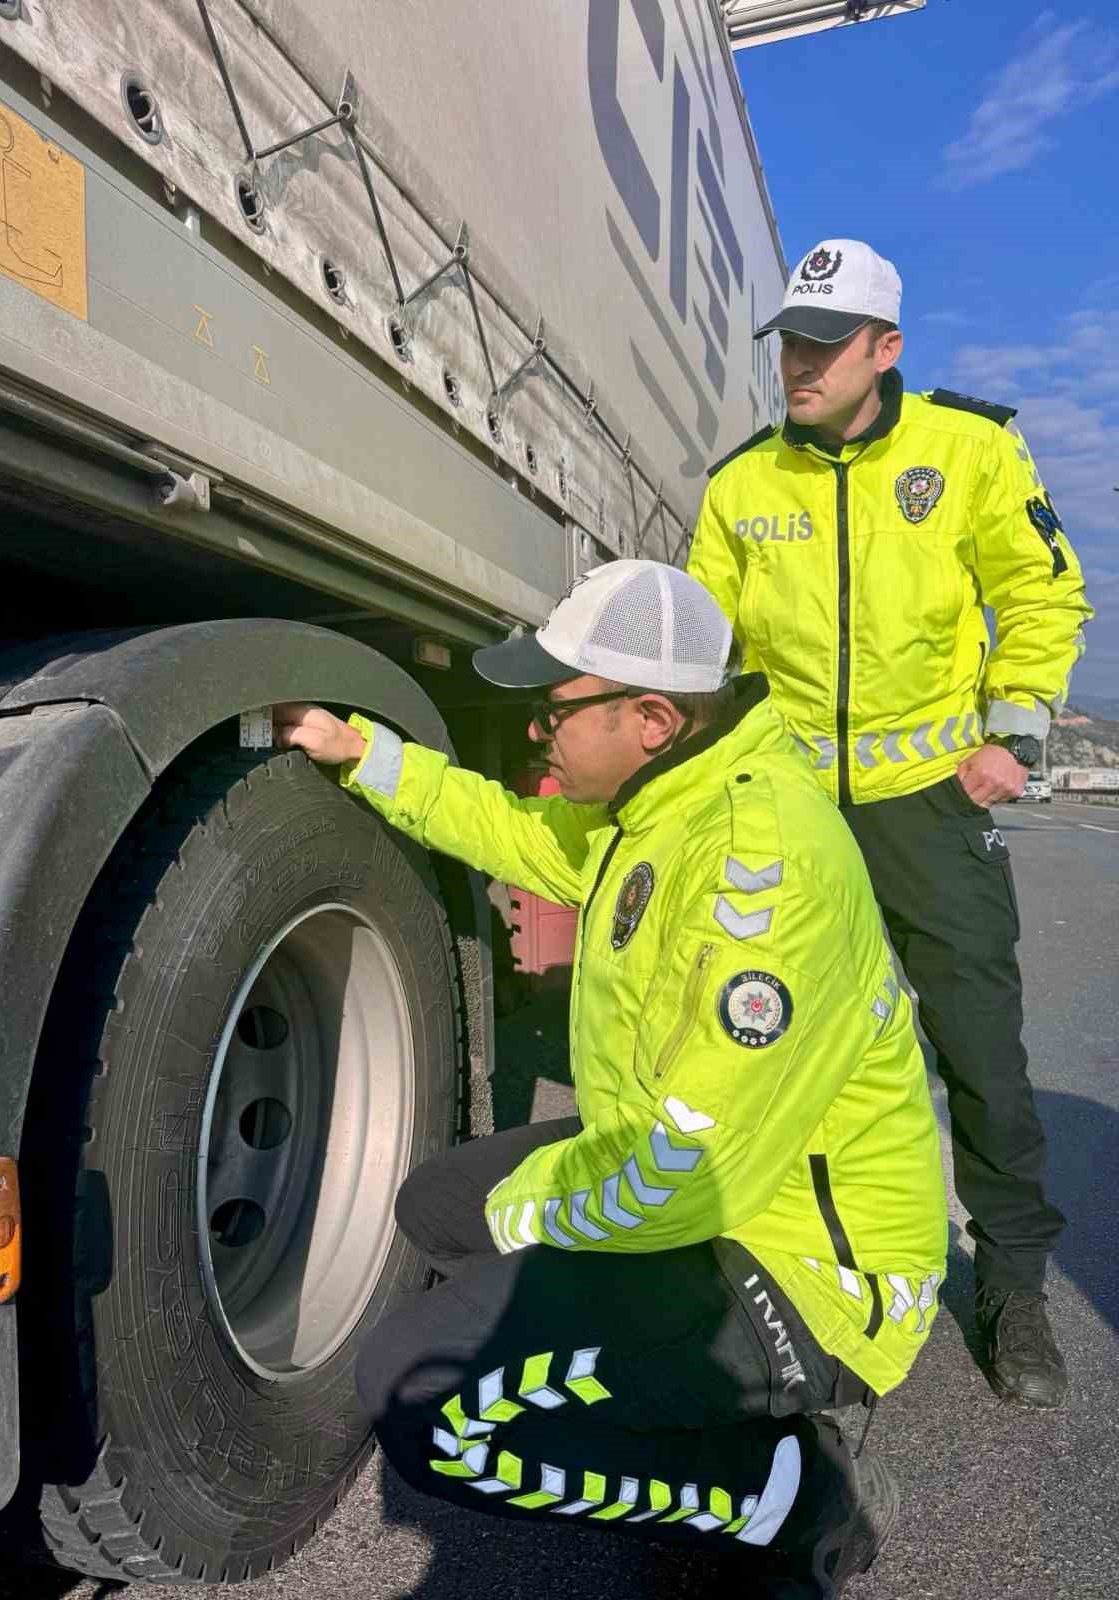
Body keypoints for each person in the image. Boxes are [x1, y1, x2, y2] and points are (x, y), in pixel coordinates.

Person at [275, 560, 946, 1598]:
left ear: (649, 717)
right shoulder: (662, 805)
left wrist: (530, 1212)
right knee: (437, 1203)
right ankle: (652, 1395)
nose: (540, 733)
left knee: (427, 1412)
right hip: (712, 1185)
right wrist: (367, 754)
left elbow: (688, 1169)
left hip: (806, 1262)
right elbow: (520, 833)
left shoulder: (759, 877)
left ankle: (792, 1494)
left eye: (554, 710)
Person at [688, 239, 1094, 1410]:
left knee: (977, 1047)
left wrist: (1011, 739)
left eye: (824, 343)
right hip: (798, 814)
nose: (798, 364)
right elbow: (706, 648)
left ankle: (1011, 1285)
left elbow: (1040, 589)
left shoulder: (969, 450)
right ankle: (783, 1262)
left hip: (931, 804)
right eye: (790, 343)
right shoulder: (742, 486)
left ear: (887, 347)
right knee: (770, 1038)